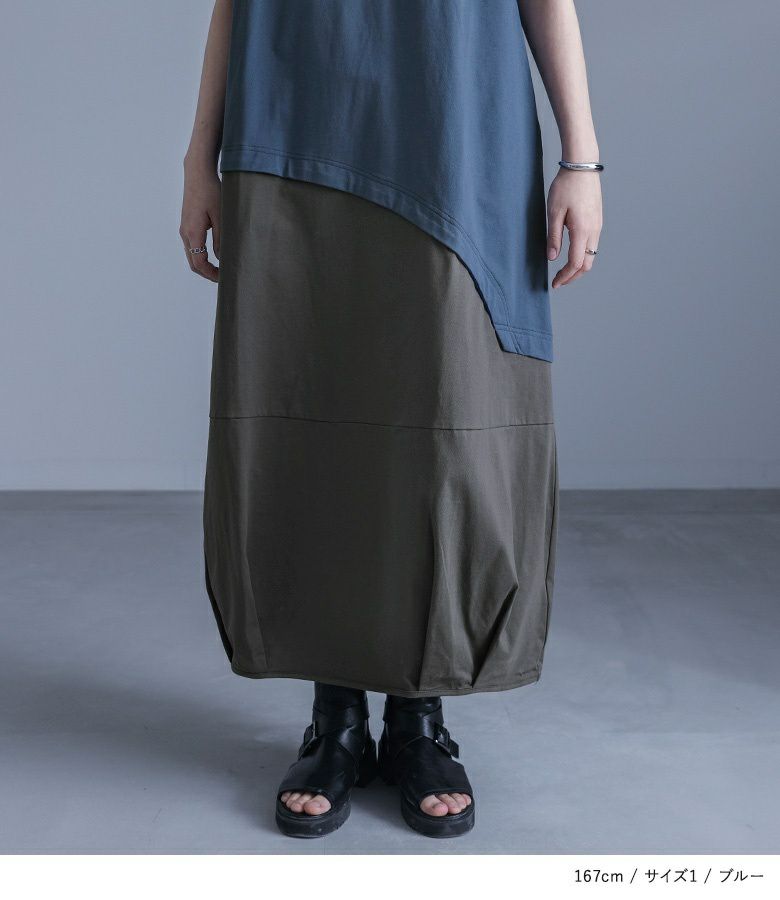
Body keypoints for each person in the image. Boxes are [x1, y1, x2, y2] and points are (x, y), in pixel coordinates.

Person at [180, 0, 602, 840]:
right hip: (290, 120)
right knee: (310, 411)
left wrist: (581, 159)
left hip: (455, 132)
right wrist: (201, 157)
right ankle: (334, 717)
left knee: (445, 421)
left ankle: (419, 717)